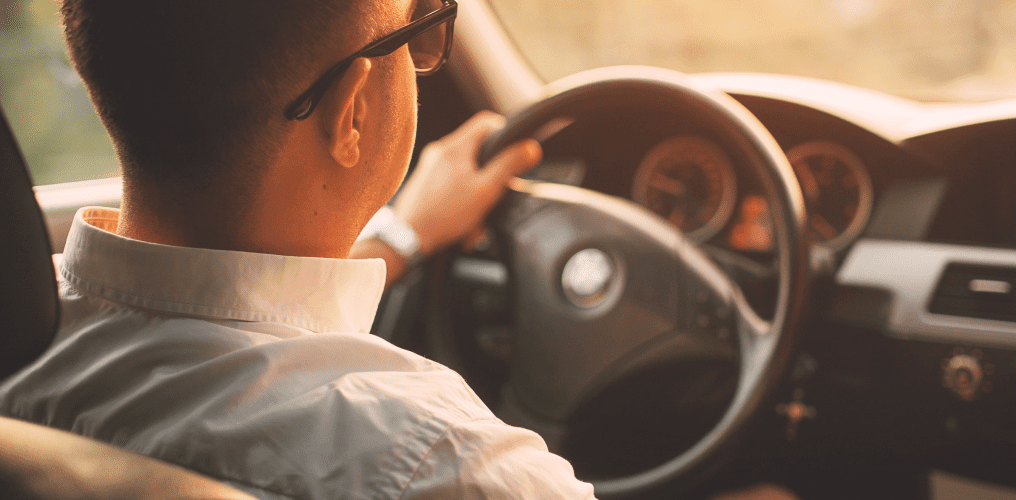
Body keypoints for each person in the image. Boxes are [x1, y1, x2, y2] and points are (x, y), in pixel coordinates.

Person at [0, 0, 595, 498]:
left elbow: (204, 316)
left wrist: (399, 242)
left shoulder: (21, 352)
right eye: (419, 28)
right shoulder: (445, 465)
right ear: (351, 113)